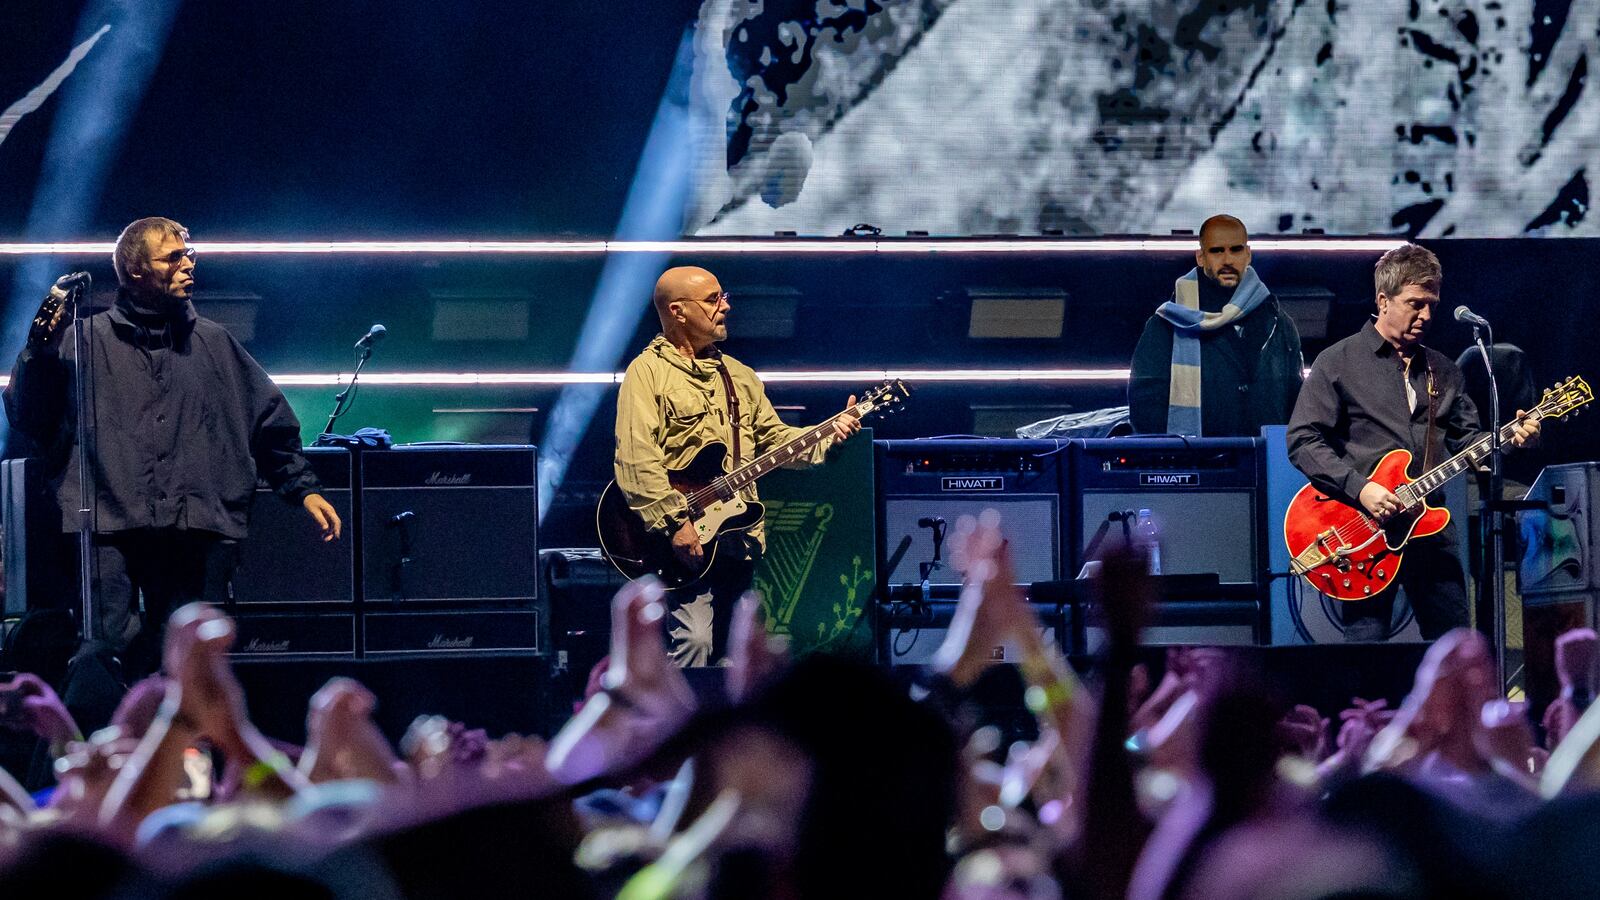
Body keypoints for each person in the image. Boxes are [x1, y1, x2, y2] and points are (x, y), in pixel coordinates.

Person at [4, 217, 341, 729]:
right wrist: (40, 352)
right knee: (104, 644)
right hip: (109, 516)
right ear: (136, 270)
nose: (187, 265)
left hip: (194, 520)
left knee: (185, 648)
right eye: (172, 258)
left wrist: (303, 488)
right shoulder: (84, 342)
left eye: (190, 255)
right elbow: (31, 415)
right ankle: (103, 756)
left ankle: (183, 755)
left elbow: (269, 420)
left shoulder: (215, 344)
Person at [1287, 243, 1539, 641]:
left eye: (1432, 305)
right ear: (1383, 300)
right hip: (1362, 531)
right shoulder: (1338, 361)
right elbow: (1302, 439)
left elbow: (1469, 443)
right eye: (1415, 303)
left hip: (1430, 531)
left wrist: (1510, 441)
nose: (1425, 315)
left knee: (1455, 646)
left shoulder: (1444, 370)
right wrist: (1362, 488)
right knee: (1366, 657)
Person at [611, 266, 859, 666]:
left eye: (723, 297)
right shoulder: (647, 374)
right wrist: (674, 523)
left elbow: (776, 441)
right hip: (681, 538)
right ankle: (688, 729)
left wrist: (828, 434)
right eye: (713, 299)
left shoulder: (739, 376)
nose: (725, 305)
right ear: (677, 311)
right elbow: (637, 458)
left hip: (737, 538)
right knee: (694, 642)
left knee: (737, 656)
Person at [1128, 215, 1304, 437]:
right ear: (1201, 257)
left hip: (1264, 461)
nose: (1228, 260)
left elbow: (1297, 404)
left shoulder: (1279, 323)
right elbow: (1145, 408)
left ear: (1248, 255)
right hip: (1200, 462)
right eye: (1217, 251)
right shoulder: (1166, 325)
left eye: (1236, 250)